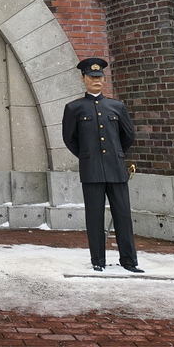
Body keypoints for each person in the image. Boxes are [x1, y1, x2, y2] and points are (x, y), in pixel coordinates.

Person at [61, 57, 143, 273]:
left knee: (123, 215)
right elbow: (70, 139)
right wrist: (88, 155)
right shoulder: (74, 108)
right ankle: (98, 261)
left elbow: (128, 136)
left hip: (116, 170)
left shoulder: (116, 107)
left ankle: (129, 261)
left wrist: (116, 154)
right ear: (83, 79)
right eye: (91, 77)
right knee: (95, 218)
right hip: (92, 171)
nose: (96, 81)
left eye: (99, 77)